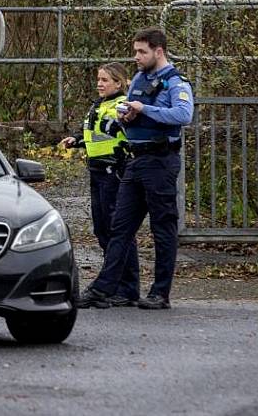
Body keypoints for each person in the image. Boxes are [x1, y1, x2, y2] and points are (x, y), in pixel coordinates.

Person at [79, 27, 194, 310]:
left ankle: (160, 292)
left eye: (142, 51)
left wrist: (144, 109)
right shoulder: (140, 79)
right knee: (120, 227)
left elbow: (183, 115)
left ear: (159, 51)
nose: (136, 57)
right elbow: (127, 112)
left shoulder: (175, 82)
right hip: (135, 160)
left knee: (162, 228)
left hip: (160, 160)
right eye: (135, 51)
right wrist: (128, 115)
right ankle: (105, 288)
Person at [59, 62, 140, 306]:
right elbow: (95, 133)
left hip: (113, 171)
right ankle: (117, 284)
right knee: (102, 230)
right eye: (98, 79)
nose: (100, 84)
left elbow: (120, 128)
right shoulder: (99, 105)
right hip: (96, 171)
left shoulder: (121, 105)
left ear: (119, 83)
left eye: (105, 80)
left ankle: (127, 287)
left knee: (118, 231)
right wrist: (76, 139)